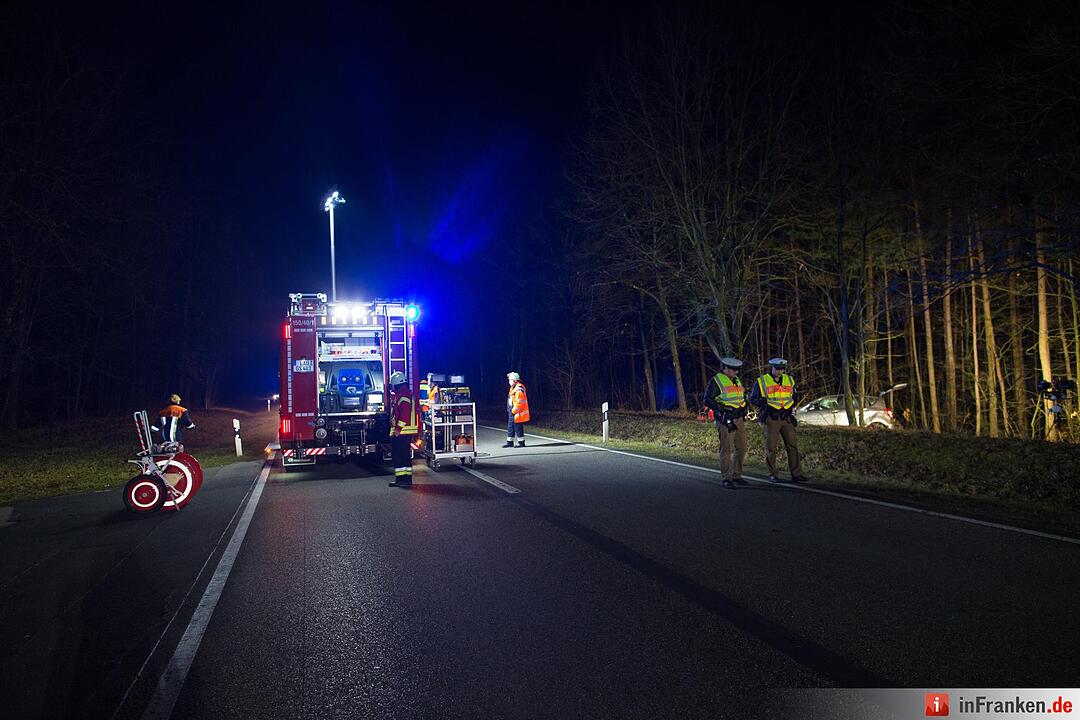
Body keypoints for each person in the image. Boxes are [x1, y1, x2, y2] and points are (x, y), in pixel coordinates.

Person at [748, 358, 808, 483]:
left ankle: (796, 474)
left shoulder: (789, 380)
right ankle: (773, 474)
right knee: (771, 447)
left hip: (786, 417)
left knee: (792, 445)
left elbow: (794, 396)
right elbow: (753, 398)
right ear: (772, 368)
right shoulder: (762, 381)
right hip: (772, 417)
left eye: (781, 369)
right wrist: (764, 405)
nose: (779, 372)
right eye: (777, 369)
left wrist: (790, 408)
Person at [703, 358, 749, 488]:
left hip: (738, 418)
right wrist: (723, 410)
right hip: (725, 419)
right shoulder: (716, 381)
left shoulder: (736, 380)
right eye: (734, 369)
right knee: (727, 449)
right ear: (725, 369)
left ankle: (736, 475)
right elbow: (707, 400)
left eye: (737, 369)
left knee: (742, 447)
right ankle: (726, 478)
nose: (736, 372)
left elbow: (740, 396)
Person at [388, 371, 419, 488]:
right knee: (404, 456)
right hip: (405, 431)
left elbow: (404, 414)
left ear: (396, 384)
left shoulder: (403, 396)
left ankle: (401, 480)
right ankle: (406, 480)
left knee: (399, 456)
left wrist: (398, 429)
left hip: (402, 432)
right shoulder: (406, 394)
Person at [504, 371, 530, 448]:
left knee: (518, 427)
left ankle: (521, 443)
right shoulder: (513, 388)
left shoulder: (518, 389)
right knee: (511, 427)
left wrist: (513, 411)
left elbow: (519, 403)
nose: (509, 382)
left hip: (517, 412)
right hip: (512, 411)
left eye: (510, 380)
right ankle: (509, 442)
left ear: (514, 380)